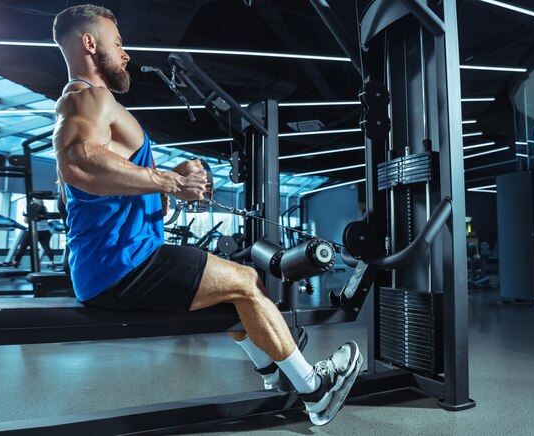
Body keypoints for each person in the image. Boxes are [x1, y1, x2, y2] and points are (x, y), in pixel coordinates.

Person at [51, 4, 361, 426]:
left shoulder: (95, 104)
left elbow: (102, 189)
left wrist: (171, 181)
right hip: (120, 265)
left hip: (120, 260)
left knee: (228, 297)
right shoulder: (84, 97)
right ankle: (315, 390)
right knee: (247, 282)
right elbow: (78, 162)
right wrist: (170, 182)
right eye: (117, 43)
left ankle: (273, 372)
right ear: (90, 43)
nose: (125, 54)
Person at [7, 198, 55, 269]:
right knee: (46, 247)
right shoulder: (44, 209)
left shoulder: (33, 208)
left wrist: (26, 216)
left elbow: (26, 221)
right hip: (45, 231)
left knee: (23, 246)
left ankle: (15, 262)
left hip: (33, 230)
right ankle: (52, 263)